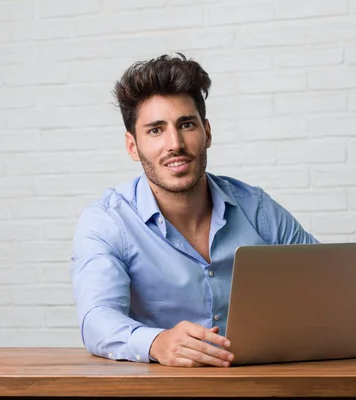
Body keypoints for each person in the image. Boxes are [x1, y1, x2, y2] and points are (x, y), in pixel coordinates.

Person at [70, 54, 318, 368]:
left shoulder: (257, 208)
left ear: (207, 132)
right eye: (156, 130)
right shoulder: (107, 221)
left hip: (258, 381)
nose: (175, 144)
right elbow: (96, 320)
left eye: (186, 124)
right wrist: (157, 342)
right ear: (133, 146)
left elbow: (323, 285)